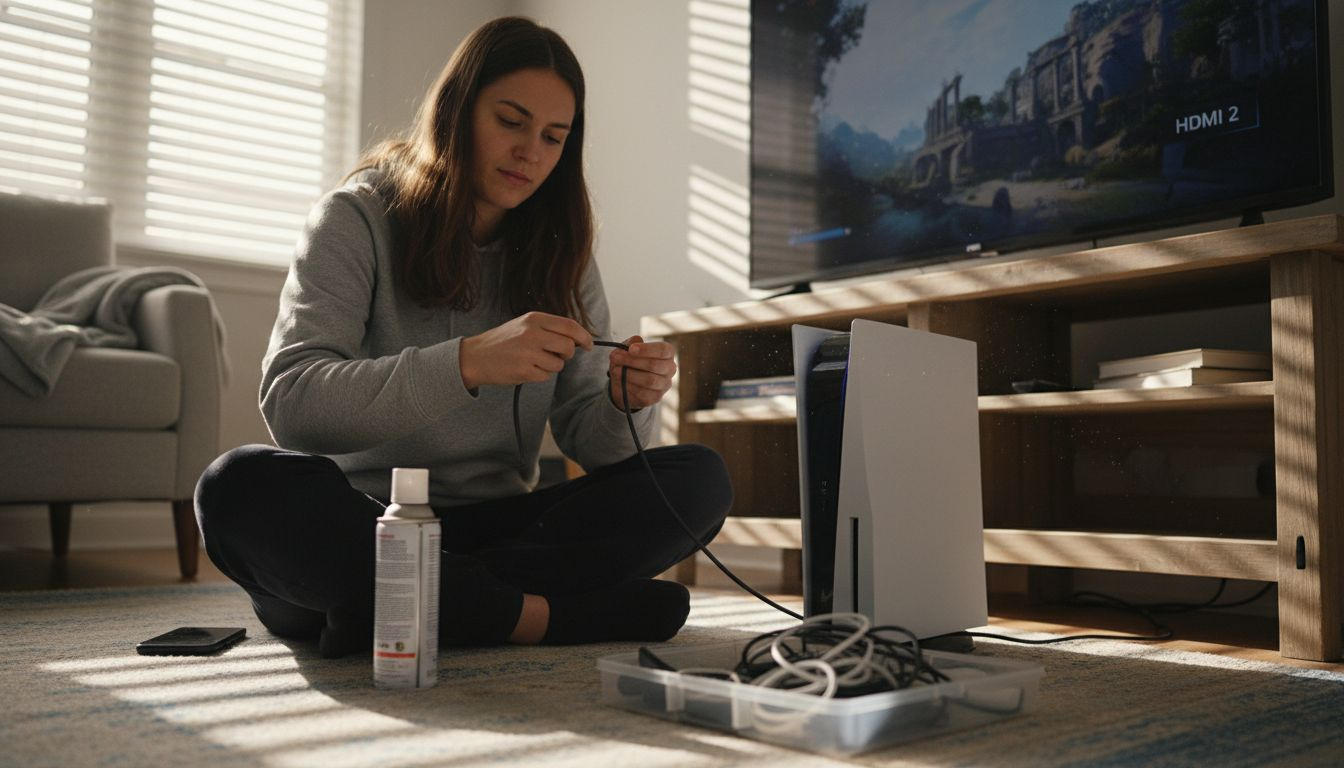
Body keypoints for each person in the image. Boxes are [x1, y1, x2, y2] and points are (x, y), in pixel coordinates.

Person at [194, 16, 732, 658]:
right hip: (368, 522)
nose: (531, 151)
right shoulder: (354, 219)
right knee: (237, 486)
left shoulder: (565, 254)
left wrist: (627, 403)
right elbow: (293, 406)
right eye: (511, 121)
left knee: (700, 477)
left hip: (501, 531)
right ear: (457, 111)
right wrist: (467, 363)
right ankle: (540, 618)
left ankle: (417, 606)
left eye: (554, 136)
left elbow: (598, 444)